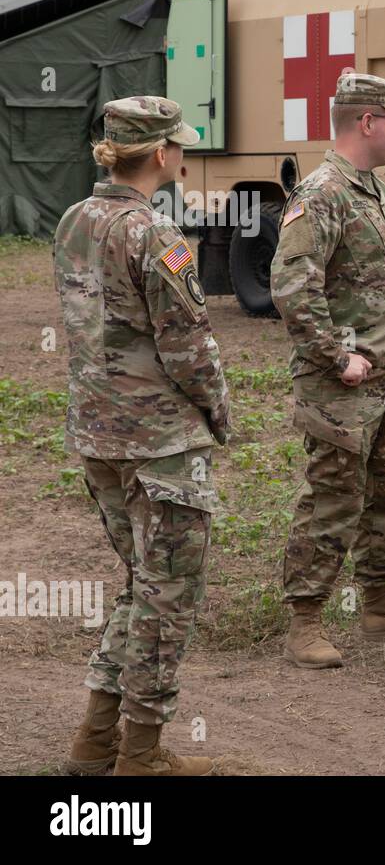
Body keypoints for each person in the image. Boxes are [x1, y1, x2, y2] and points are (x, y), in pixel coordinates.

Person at [57, 95, 230, 775]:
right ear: (160, 154)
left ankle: (94, 742)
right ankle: (141, 753)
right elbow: (188, 345)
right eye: (179, 146)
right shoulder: (155, 233)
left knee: (141, 586)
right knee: (168, 597)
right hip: (160, 442)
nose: (183, 156)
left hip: (97, 432)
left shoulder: (75, 220)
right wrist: (218, 413)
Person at [271, 72, 385, 669]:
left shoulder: (374, 189)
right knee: (333, 497)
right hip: (341, 382)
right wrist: (335, 355)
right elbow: (295, 285)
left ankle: (381, 600)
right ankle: (305, 620)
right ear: (366, 122)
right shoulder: (321, 193)